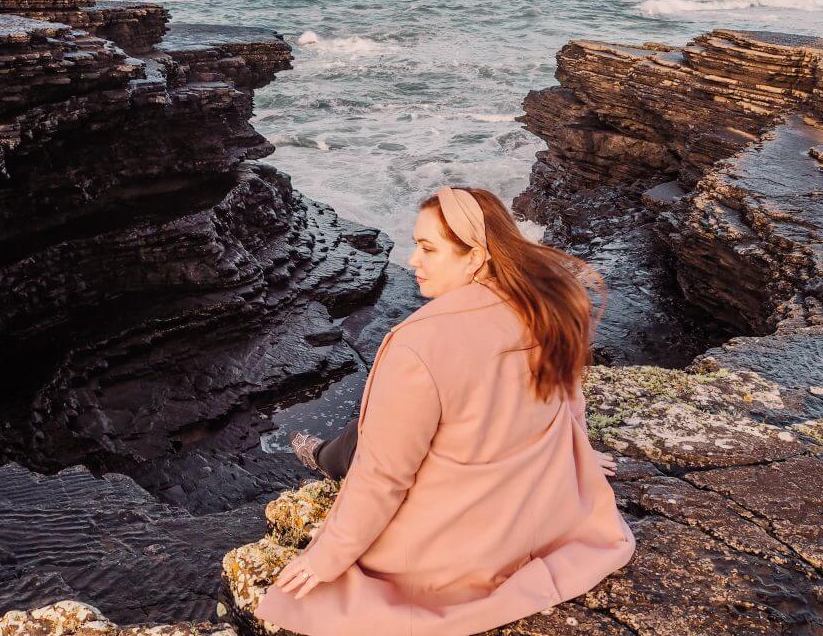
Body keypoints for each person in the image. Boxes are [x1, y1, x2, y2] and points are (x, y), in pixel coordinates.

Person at [256, 185, 636, 636]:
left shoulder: (418, 342)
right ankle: (325, 452)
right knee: (372, 428)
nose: (413, 260)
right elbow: (568, 397)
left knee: (363, 441)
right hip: (542, 516)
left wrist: (327, 555)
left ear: (474, 257)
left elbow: (384, 476)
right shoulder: (552, 304)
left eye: (428, 248)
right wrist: (576, 457)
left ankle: (320, 455)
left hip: (464, 550)